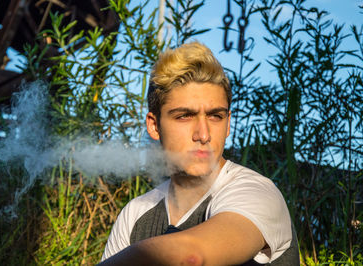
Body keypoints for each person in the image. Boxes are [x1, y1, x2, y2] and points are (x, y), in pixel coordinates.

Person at [98, 42, 299, 265]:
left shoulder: (256, 193)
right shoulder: (135, 214)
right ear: (154, 126)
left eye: (215, 116)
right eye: (184, 116)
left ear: (228, 123)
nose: (203, 135)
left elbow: (192, 256)